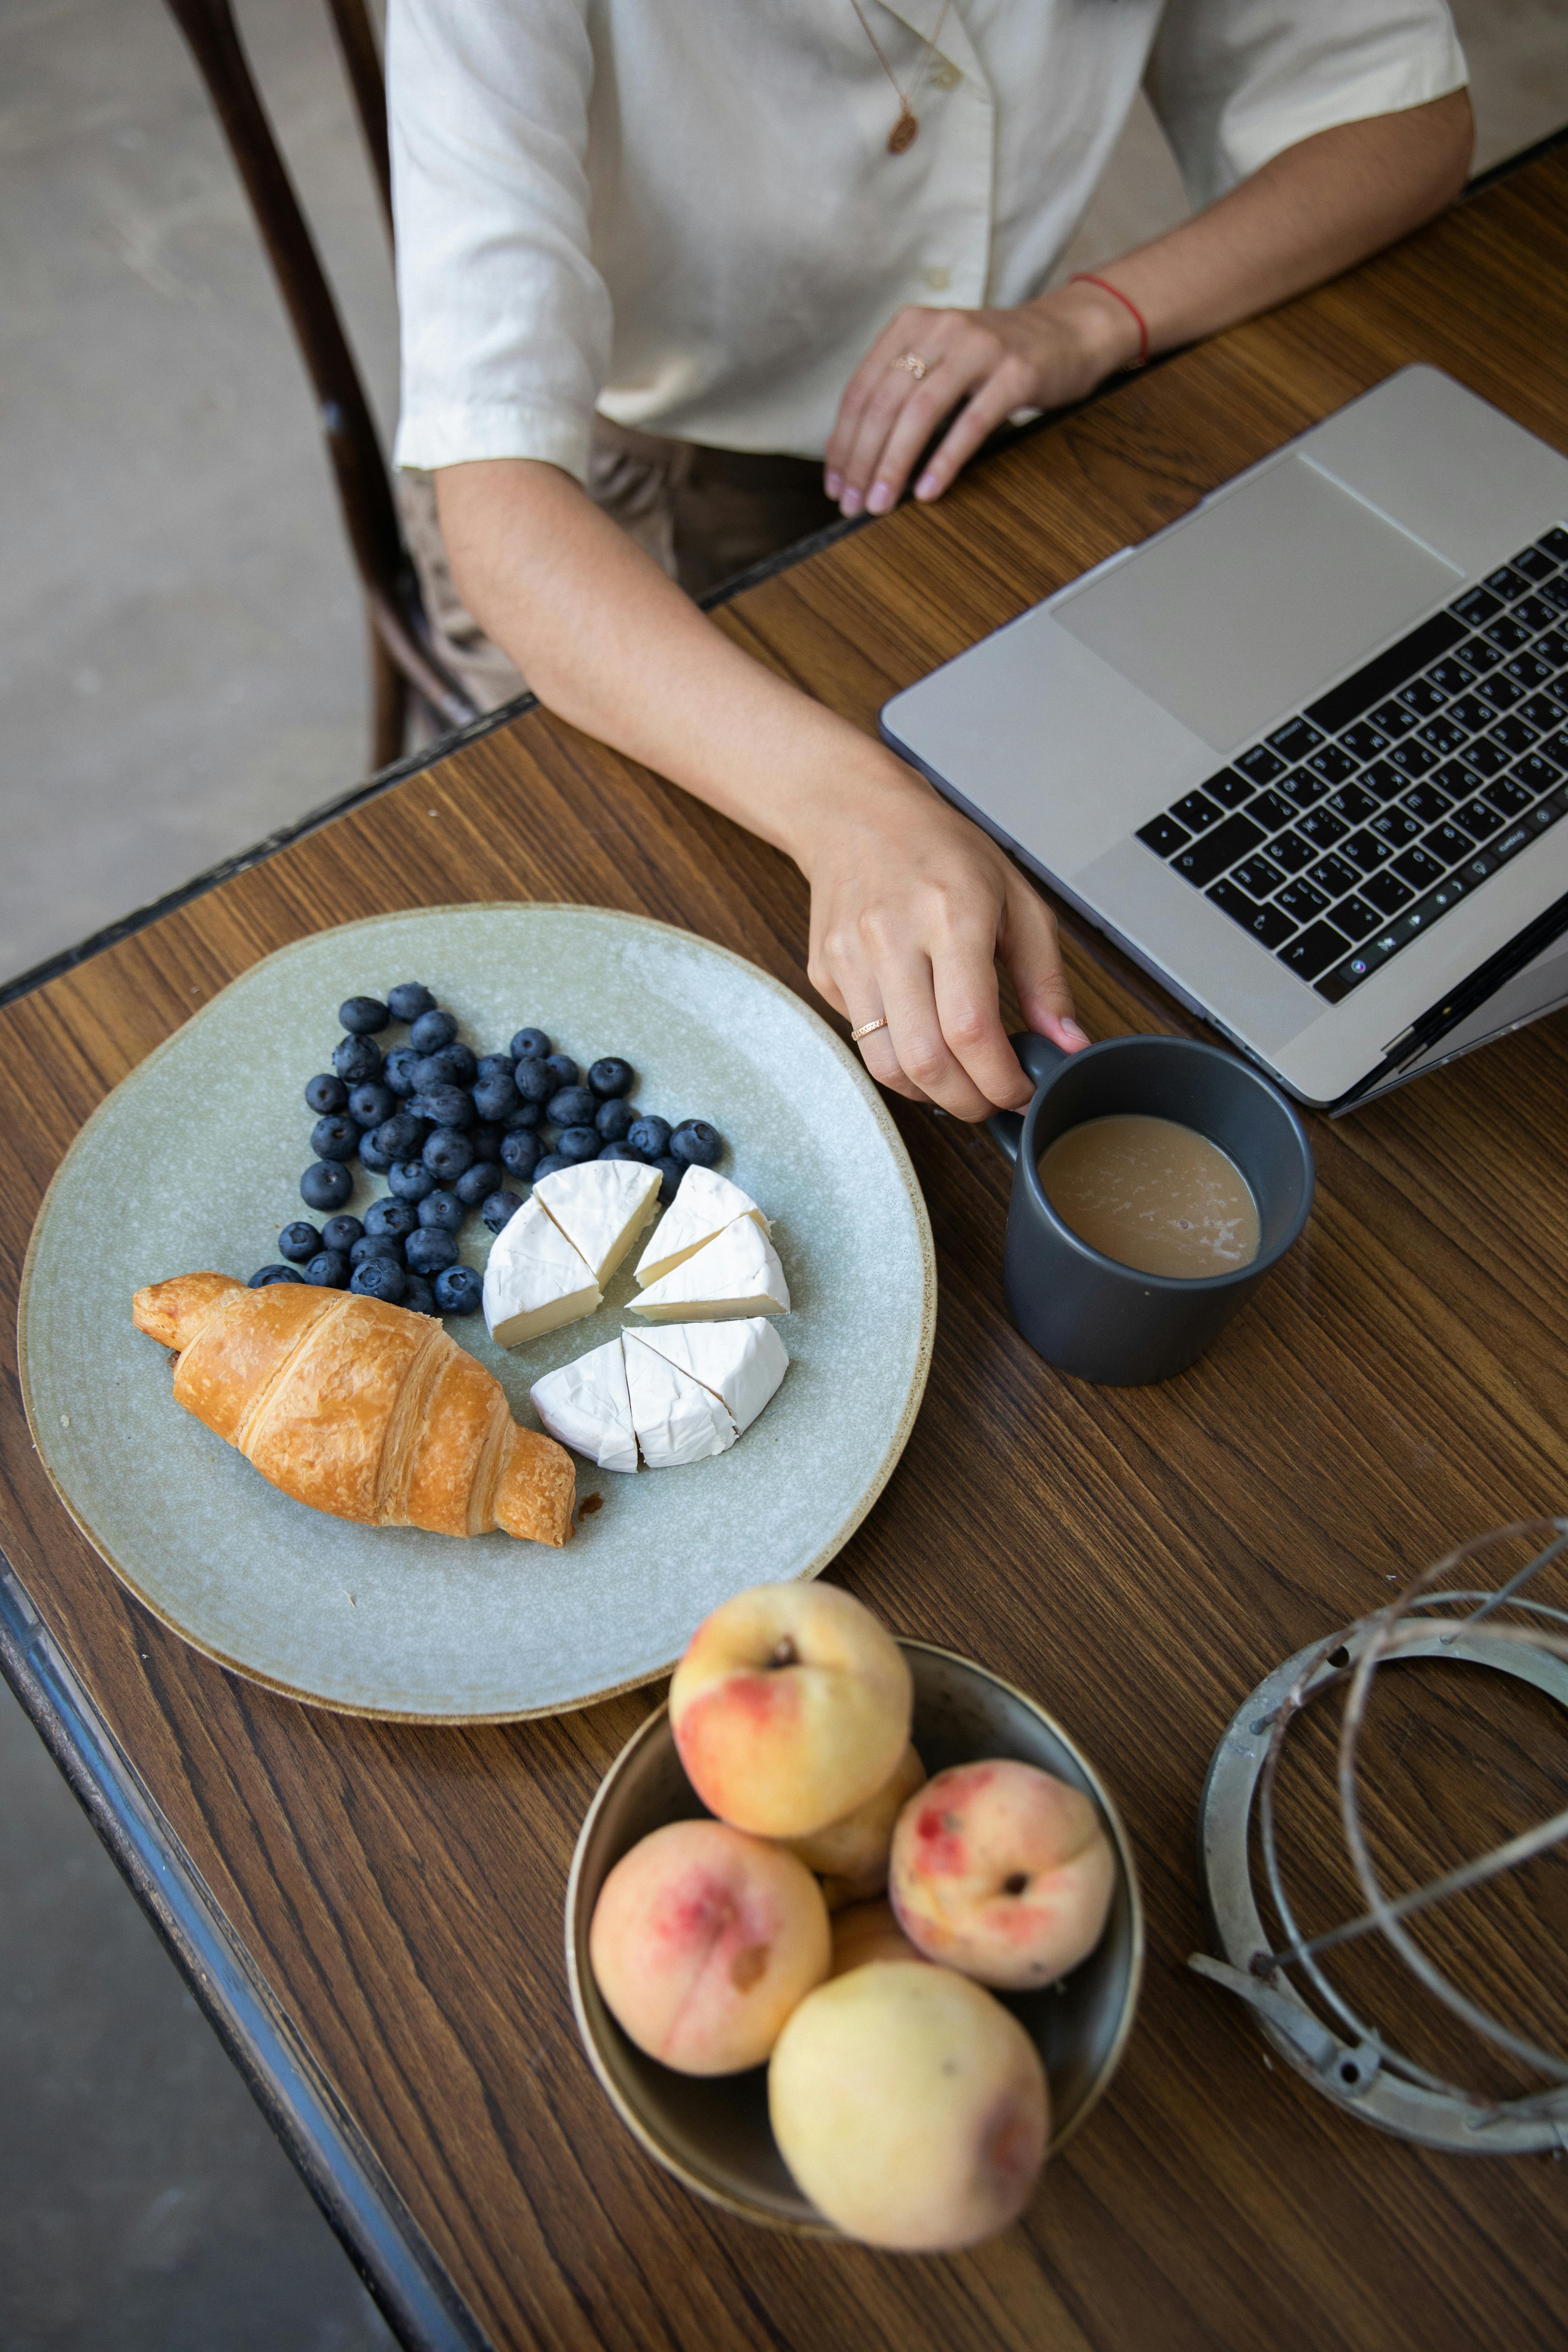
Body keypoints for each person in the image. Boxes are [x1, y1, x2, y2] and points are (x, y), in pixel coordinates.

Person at [387, 1, 1473, 1121]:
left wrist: (1090, 321)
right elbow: (502, 518)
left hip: (989, 427)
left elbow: (1403, 115)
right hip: (630, 486)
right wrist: (850, 809)